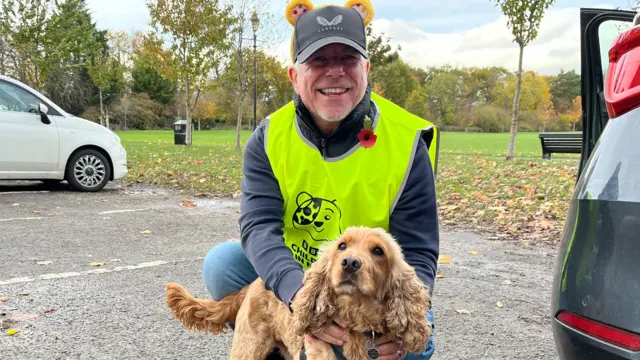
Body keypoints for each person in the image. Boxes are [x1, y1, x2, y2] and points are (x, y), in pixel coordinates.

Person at [202, 1, 440, 359]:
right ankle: (287, 344)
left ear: (366, 69)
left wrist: (406, 323)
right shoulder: (269, 137)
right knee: (222, 265)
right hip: (302, 271)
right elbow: (258, 226)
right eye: (318, 60)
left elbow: (418, 250)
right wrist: (296, 296)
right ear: (294, 76)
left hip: (376, 281)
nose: (335, 72)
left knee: (414, 347)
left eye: (347, 58)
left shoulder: (408, 141)